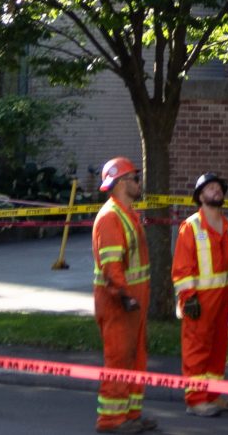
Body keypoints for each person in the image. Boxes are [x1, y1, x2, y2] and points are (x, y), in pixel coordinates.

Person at [172, 172, 228, 418]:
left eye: (219, 187)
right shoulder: (191, 226)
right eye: (210, 188)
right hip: (200, 300)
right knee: (197, 347)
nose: (216, 191)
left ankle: (213, 394)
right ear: (200, 196)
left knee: (218, 347)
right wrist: (188, 297)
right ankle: (195, 399)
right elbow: (182, 268)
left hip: (224, 297)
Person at [91, 156, 158, 433]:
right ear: (120, 183)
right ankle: (110, 420)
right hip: (119, 301)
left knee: (135, 357)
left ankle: (130, 415)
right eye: (135, 178)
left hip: (133, 300)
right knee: (118, 359)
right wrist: (124, 295)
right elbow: (111, 267)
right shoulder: (110, 217)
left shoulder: (127, 214)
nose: (139, 183)